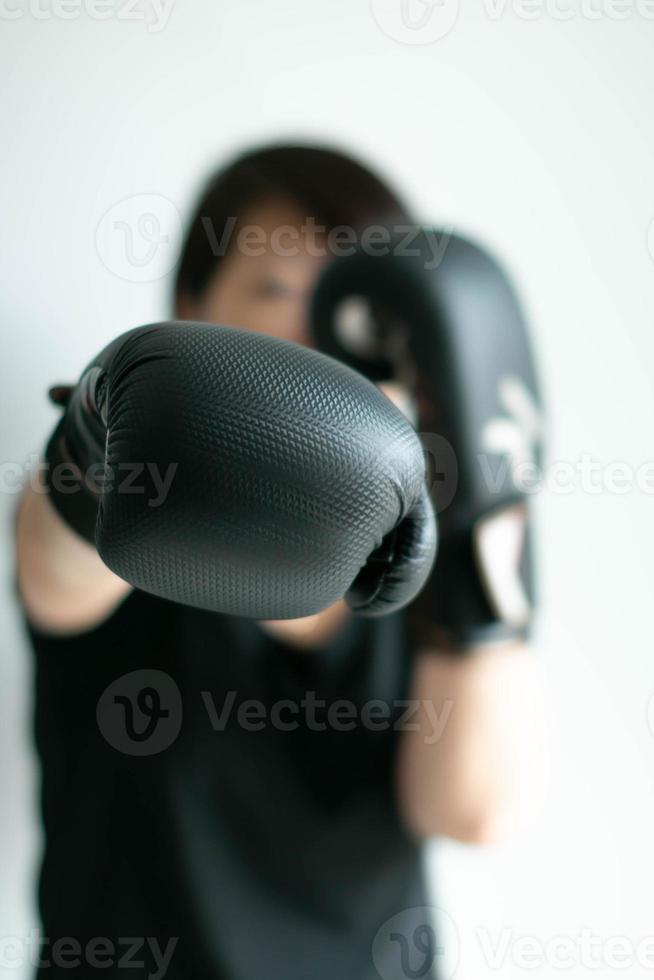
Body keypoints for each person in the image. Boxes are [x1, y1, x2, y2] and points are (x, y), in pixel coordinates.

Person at [15, 144, 543, 980]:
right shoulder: (135, 492)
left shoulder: (431, 541)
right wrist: (93, 442)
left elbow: (469, 809)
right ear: (192, 306)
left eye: (351, 314)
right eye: (276, 292)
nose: (315, 336)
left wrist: (491, 519)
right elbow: (54, 570)